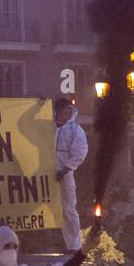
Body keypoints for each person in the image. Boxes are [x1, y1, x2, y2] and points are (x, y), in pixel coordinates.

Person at [53, 97, 89, 252]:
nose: (69, 112)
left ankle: (74, 245)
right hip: (44, 171)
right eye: (65, 109)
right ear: (58, 111)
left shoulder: (75, 129)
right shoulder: (46, 126)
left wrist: (66, 169)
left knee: (68, 209)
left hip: (64, 174)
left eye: (70, 109)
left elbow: (81, 151)